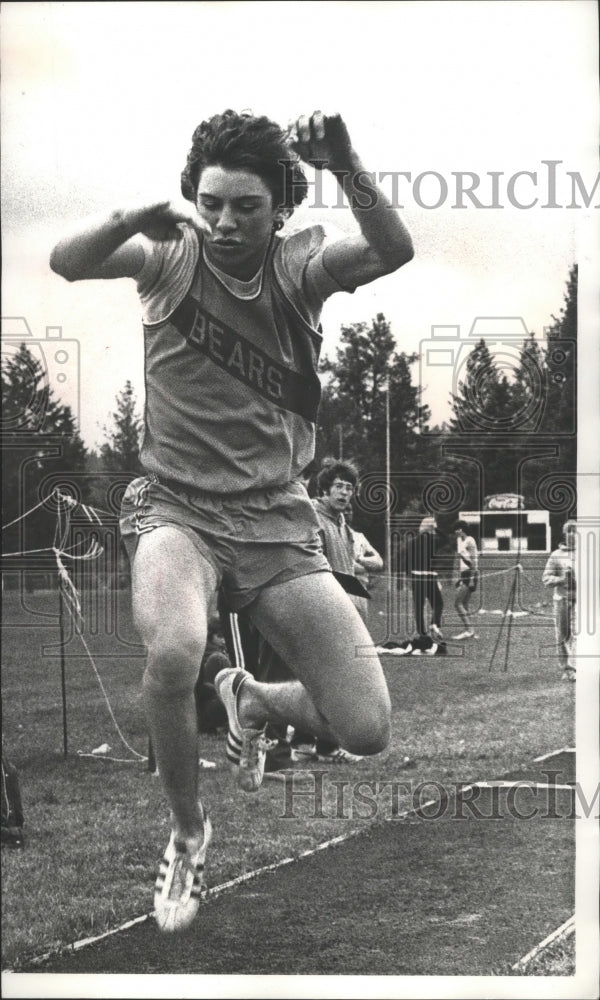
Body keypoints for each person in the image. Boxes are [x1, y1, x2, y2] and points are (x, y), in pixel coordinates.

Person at [50, 109, 414, 933]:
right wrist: (128, 221)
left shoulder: (300, 271)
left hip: (277, 521)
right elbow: (65, 262)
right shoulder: (168, 260)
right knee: (175, 648)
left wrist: (348, 160)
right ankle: (186, 831)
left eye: (244, 207)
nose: (223, 221)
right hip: (176, 507)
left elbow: (394, 250)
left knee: (365, 728)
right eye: (210, 202)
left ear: (279, 209)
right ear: (193, 199)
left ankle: (249, 699)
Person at [398, 516, 445, 641]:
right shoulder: (434, 540)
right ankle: (434, 623)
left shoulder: (412, 541)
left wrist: (409, 575)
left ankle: (422, 633)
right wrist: (436, 528)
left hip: (416, 576)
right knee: (438, 603)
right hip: (430, 576)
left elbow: (405, 560)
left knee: (419, 606)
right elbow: (445, 539)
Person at [542, 520, 577, 681]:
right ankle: (566, 668)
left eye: (575, 531)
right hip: (562, 600)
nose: (572, 534)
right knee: (563, 634)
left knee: (579, 634)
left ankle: (575, 667)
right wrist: (563, 579)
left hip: (580, 601)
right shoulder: (556, 555)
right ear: (564, 534)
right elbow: (546, 579)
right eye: (569, 531)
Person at [452, 520, 479, 640]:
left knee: (457, 603)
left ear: (461, 529)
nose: (455, 532)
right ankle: (470, 631)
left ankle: (469, 630)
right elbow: (460, 560)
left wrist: (472, 577)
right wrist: (459, 578)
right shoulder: (459, 541)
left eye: (456, 529)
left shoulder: (470, 540)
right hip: (464, 573)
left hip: (470, 573)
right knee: (464, 603)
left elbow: (474, 560)